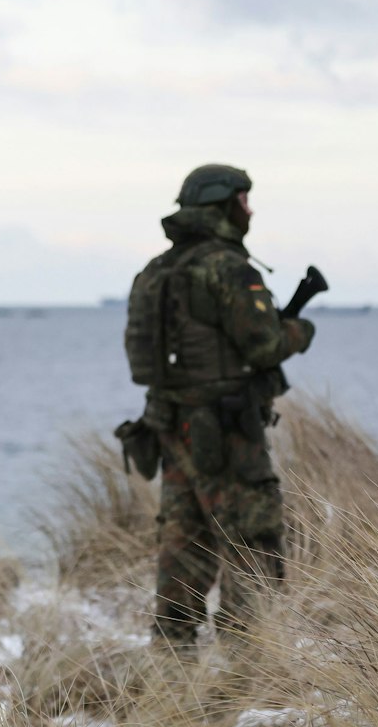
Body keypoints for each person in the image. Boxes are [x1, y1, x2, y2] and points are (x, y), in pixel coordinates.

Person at [119, 164, 314, 652]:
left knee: (184, 546)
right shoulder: (228, 267)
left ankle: (171, 665)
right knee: (254, 543)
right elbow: (264, 345)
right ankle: (246, 671)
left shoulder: (156, 269)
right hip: (227, 433)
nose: (249, 209)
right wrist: (300, 332)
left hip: (170, 426)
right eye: (243, 199)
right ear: (222, 204)